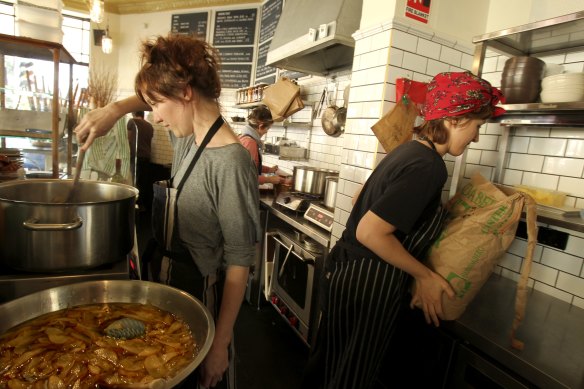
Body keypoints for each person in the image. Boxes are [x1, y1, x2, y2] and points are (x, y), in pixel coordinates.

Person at [74, 34, 262, 389]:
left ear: (186, 92)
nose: (154, 116)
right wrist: (113, 109)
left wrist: (219, 346)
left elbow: (240, 260)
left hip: (200, 297)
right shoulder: (188, 135)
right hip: (165, 281)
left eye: (158, 103)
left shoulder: (232, 161)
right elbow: (144, 99)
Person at [302, 71, 505, 389]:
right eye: (477, 126)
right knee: (349, 379)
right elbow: (370, 232)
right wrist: (425, 275)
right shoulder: (429, 167)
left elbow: (360, 199)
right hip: (370, 286)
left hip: (347, 275)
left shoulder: (407, 150)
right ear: (456, 118)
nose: (476, 137)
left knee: (327, 369)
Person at [238, 106, 283, 186]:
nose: (266, 132)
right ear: (261, 126)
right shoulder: (250, 142)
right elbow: (246, 177)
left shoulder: (243, 137)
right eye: (267, 128)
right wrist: (269, 179)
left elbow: (252, 167)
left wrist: (269, 170)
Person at [127, 110, 154, 211]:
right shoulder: (150, 126)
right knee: (143, 183)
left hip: (135, 156)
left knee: (134, 183)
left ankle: (133, 207)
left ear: (133, 113)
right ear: (143, 114)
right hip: (147, 157)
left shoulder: (132, 121)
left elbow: (127, 139)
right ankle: (141, 207)